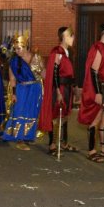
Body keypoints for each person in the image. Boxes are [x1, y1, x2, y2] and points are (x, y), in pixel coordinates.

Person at [78, 22, 104, 163]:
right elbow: (94, 71)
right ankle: (91, 151)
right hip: (101, 88)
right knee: (95, 120)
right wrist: (97, 92)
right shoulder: (98, 48)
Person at [39, 26, 78, 156]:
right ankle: (52, 144)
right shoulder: (57, 52)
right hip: (59, 87)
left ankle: (64, 143)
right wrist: (58, 92)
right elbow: (54, 73)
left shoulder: (68, 53)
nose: (73, 38)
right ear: (64, 37)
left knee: (66, 114)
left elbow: (70, 73)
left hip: (67, 88)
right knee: (55, 115)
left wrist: (75, 88)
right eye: (71, 36)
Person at [2, 31, 45, 150]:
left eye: (19, 48)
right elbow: (12, 79)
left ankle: (28, 136)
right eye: (15, 49)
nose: (17, 51)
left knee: (32, 112)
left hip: (35, 88)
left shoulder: (35, 57)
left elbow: (44, 75)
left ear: (26, 47)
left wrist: (39, 67)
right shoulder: (14, 61)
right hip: (21, 89)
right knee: (20, 112)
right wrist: (14, 94)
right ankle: (19, 139)